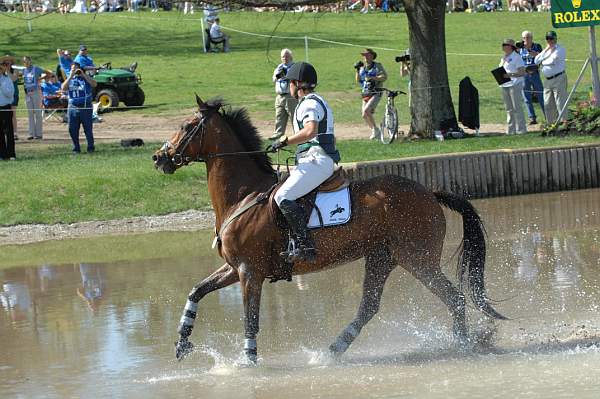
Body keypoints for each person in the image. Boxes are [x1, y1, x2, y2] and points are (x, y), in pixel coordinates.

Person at [269, 62, 340, 262]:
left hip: (317, 160)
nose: (289, 87)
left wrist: (284, 141)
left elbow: (310, 131)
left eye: (290, 82)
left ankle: (305, 245)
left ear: (298, 84)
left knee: (282, 196)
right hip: (312, 160)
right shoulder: (314, 101)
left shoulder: (309, 103)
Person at [61, 62, 97, 153]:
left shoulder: (85, 78)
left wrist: (83, 75)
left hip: (85, 107)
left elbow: (94, 84)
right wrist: (71, 75)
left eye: (76, 69)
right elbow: (63, 88)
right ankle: (76, 148)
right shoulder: (70, 79)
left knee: (88, 129)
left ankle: (90, 147)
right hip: (73, 108)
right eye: (73, 69)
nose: (75, 71)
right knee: (72, 129)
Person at [534, 30, 568, 124]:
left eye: (552, 38)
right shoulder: (546, 50)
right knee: (548, 103)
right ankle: (551, 124)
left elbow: (552, 61)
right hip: (547, 81)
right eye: (548, 39)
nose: (550, 41)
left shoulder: (560, 49)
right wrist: (545, 50)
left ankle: (564, 123)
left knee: (560, 102)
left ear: (556, 38)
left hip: (559, 78)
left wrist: (542, 61)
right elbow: (536, 60)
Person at [355, 48, 387, 140]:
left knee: (367, 111)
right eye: (364, 55)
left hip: (376, 91)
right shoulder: (362, 68)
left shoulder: (377, 66)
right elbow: (358, 80)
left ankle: (375, 131)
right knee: (364, 115)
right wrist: (357, 70)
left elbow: (384, 77)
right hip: (365, 92)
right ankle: (375, 130)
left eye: (367, 55)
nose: (365, 57)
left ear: (372, 56)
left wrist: (373, 78)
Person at [499, 39, 527, 135]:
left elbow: (522, 72)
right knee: (509, 108)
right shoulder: (504, 57)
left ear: (510, 46)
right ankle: (511, 129)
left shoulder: (516, 57)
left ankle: (521, 129)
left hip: (515, 84)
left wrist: (510, 74)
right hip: (505, 84)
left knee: (517, 107)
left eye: (505, 44)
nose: (503, 46)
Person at [269, 49, 298, 140]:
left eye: (286, 56)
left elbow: (295, 79)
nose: (285, 58)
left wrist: (288, 75)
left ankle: (297, 133)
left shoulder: (294, 67)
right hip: (279, 96)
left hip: (290, 96)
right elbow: (274, 80)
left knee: (293, 115)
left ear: (290, 57)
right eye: (283, 57)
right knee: (279, 115)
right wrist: (279, 75)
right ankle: (278, 133)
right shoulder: (279, 68)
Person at [518, 31, 545, 125]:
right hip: (524, 75)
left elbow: (543, 57)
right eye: (525, 38)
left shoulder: (537, 46)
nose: (526, 39)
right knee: (526, 97)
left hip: (535, 73)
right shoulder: (520, 48)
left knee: (541, 95)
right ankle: (532, 118)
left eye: (528, 37)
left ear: (532, 38)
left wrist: (536, 54)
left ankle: (547, 116)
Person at [22, 56, 44, 140]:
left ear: (30, 61)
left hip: (36, 93)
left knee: (38, 114)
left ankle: (39, 134)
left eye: (27, 61)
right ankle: (31, 134)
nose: (26, 63)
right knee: (30, 114)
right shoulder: (23, 70)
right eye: (24, 62)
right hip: (27, 94)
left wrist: (39, 79)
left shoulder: (36, 69)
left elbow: (49, 73)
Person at [0, 56, 16, 160]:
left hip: (6, 108)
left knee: (9, 132)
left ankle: (11, 154)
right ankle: (2, 154)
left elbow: (10, 94)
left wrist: (1, 85)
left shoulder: (7, 80)